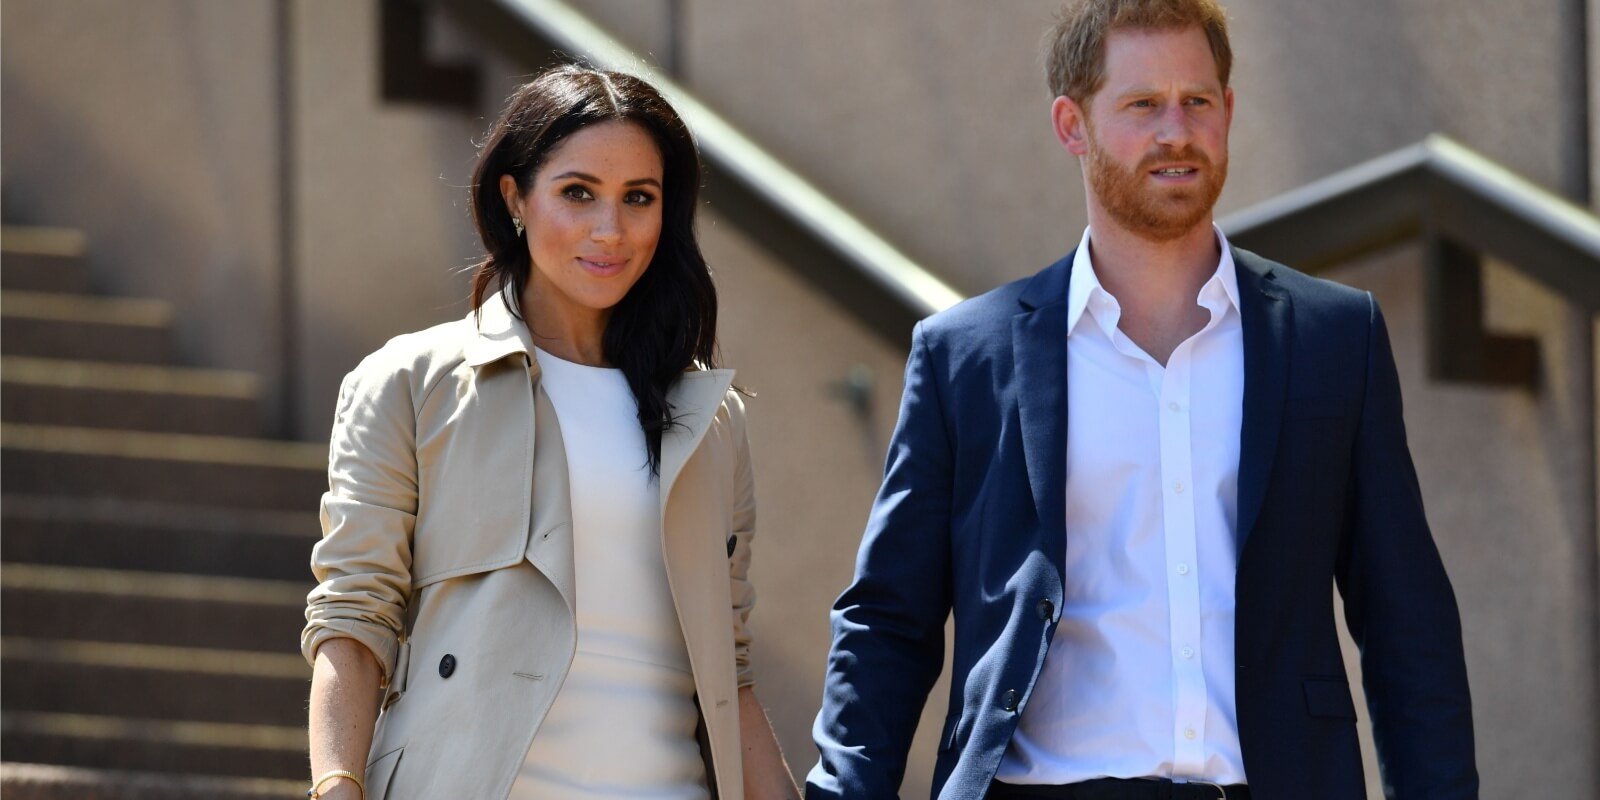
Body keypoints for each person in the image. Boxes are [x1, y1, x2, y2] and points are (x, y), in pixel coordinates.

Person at [807, 1, 1478, 798]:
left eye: (1197, 100)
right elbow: (889, 620)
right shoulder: (964, 357)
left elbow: (1409, 626)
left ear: (1228, 111)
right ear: (1072, 124)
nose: (1176, 131)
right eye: (1141, 105)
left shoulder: (1335, 339)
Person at [301, 65, 800, 800]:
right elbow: (352, 616)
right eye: (578, 193)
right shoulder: (412, 382)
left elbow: (728, 667)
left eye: (639, 198)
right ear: (515, 199)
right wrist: (337, 785)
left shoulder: (710, 419)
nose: (611, 230)